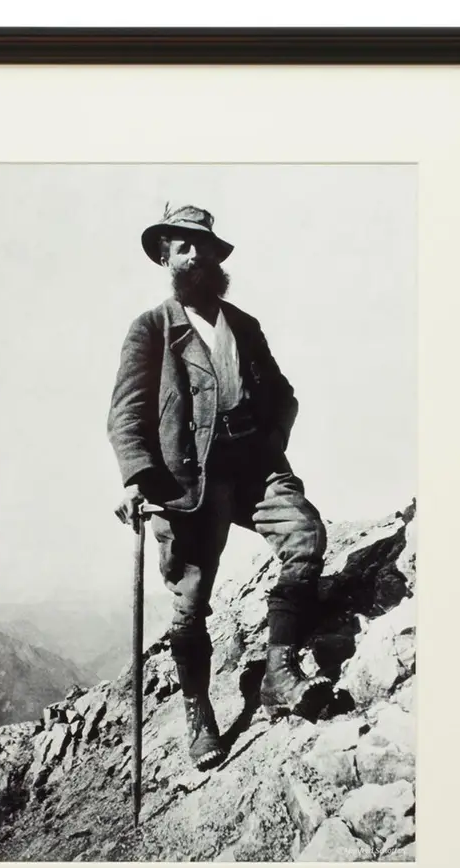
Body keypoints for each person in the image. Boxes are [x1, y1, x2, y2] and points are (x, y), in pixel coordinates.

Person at [107, 203, 329, 771]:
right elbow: (126, 415)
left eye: (202, 245)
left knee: (304, 535)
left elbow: (283, 394)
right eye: (181, 246)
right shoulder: (152, 328)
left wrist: (269, 445)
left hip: (253, 466)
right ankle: (199, 713)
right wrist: (137, 478)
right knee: (191, 601)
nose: (194, 255)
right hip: (185, 480)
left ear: (216, 255)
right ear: (166, 258)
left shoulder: (243, 325)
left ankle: (279, 672)